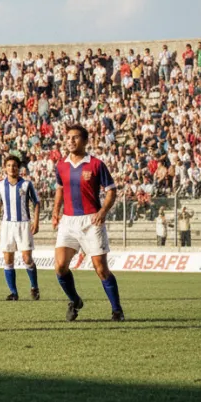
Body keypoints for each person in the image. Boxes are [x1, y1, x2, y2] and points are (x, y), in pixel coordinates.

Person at [52, 124, 124, 322]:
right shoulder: (61, 165)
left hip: (91, 220)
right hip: (68, 221)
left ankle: (117, 310)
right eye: (69, 138)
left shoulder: (96, 164)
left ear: (85, 141)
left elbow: (111, 190)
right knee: (59, 266)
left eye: (75, 137)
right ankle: (75, 301)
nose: (71, 141)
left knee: (100, 268)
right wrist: (55, 212)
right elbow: (59, 189)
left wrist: (102, 211)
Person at [0, 155, 41, 301]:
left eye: (14, 165)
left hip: (23, 224)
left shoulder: (26, 184)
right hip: (7, 225)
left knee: (27, 258)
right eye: (9, 165)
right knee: (8, 259)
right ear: (5, 168)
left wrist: (36, 222)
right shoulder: (0, 185)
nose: (12, 168)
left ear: (19, 168)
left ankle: (34, 286)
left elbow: (36, 203)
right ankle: (13, 292)